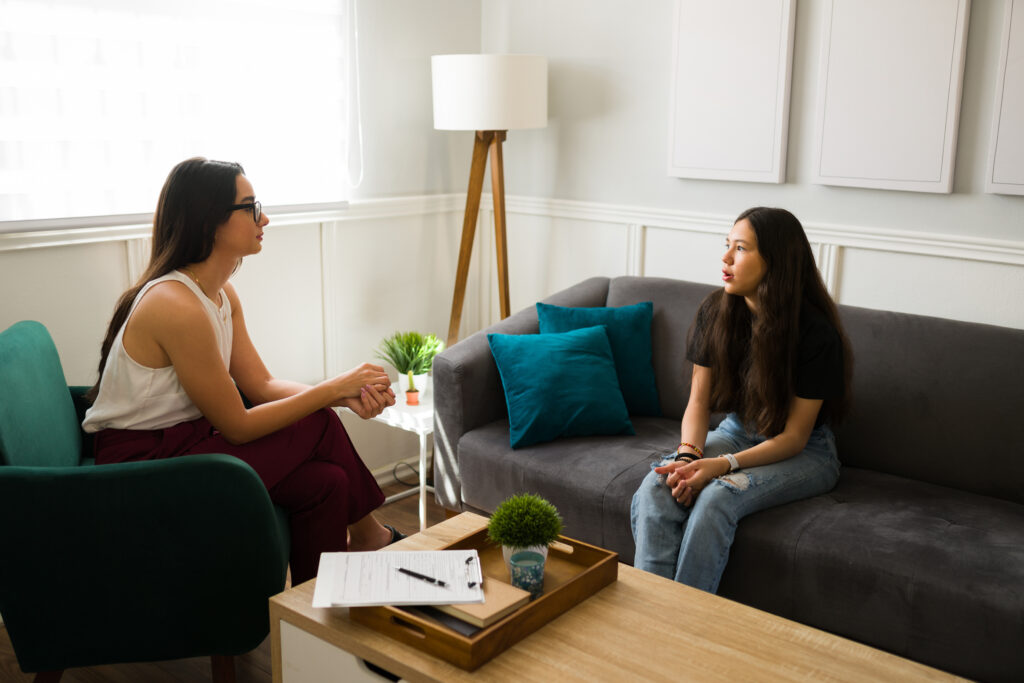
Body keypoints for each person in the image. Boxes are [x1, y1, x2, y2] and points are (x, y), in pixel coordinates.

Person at [83, 157, 402, 585]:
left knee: (326, 482)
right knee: (319, 420)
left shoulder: (219, 294)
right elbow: (238, 426)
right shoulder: (175, 307)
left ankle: (317, 617)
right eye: (250, 207)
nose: (263, 218)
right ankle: (372, 537)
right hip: (141, 473)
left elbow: (261, 385)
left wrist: (342, 393)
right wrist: (330, 393)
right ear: (210, 221)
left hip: (190, 446)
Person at [630, 207, 852, 593]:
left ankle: (686, 627)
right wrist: (687, 457)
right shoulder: (716, 312)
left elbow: (795, 437)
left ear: (776, 262)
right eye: (726, 245)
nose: (726, 258)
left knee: (718, 496)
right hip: (735, 431)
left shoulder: (816, 335)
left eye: (741, 248)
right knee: (658, 486)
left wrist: (721, 465)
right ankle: (652, 618)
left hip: (806, 452)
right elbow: (698, 403)